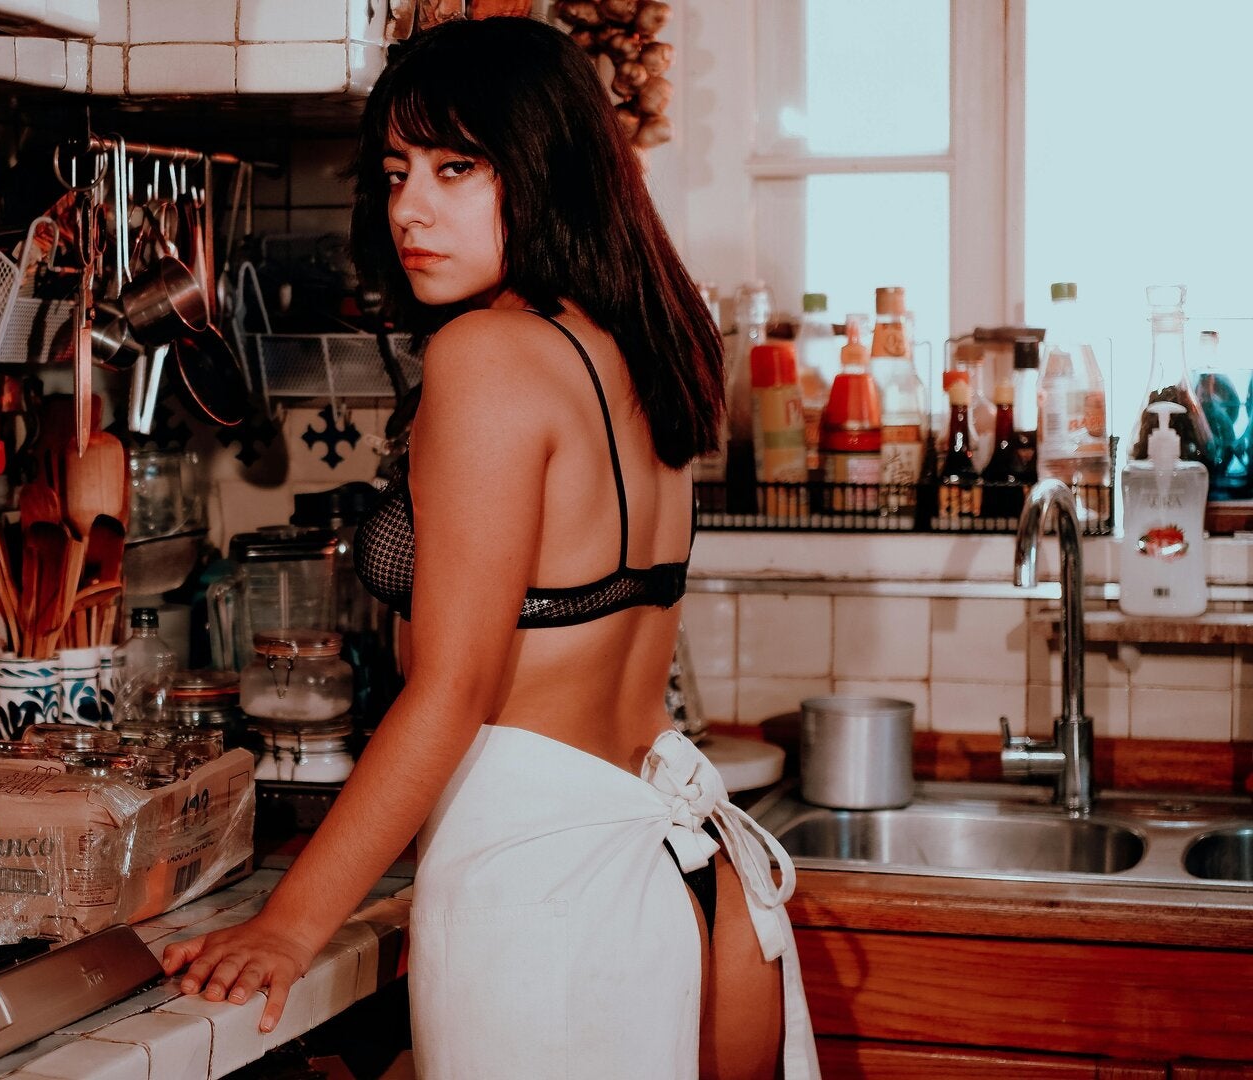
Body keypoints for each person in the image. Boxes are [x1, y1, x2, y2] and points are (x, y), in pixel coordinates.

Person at [161, 17, 819, 1079]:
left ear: (546, 167)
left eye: (455, 168)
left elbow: (454, 688)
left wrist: (289, 925)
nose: (409, 208)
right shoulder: (647, 346)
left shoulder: (488, 354)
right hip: (693, 884)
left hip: (549, 900)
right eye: (396, 173)